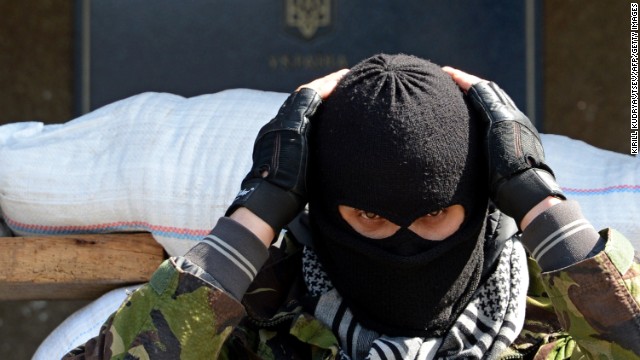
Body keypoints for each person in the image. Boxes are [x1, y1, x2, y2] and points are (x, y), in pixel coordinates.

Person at [63, 54, 640, 359]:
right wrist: (257, 209)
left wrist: (539, 198)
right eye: (370, 219)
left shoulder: (560, 330)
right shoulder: (253, 332)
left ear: (484, 204)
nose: (405, 245)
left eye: (437, 215)